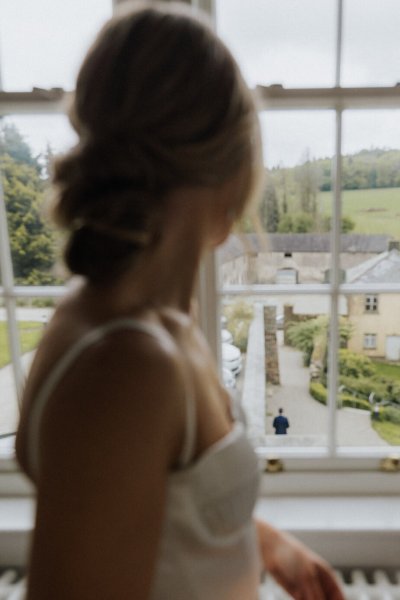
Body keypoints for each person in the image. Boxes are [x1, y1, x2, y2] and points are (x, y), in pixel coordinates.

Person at [15, 3, 345, 599]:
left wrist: (265, 543)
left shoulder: (152, 319)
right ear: (233, 166)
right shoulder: (126, 366)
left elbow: (157, 505)